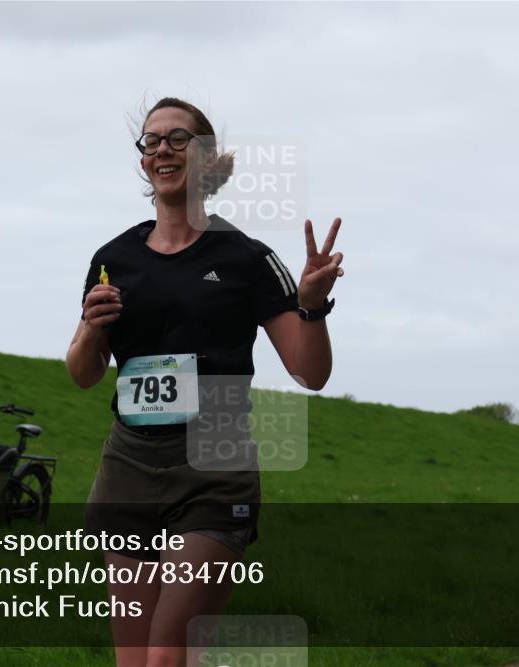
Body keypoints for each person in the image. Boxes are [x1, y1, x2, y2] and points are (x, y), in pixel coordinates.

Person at [66, 97, 344, 667]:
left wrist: (311, 308)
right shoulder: (113, 257)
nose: (162, 150)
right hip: (129, 467)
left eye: (177, 139)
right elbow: (84, 373)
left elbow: (310, 372)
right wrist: (91, 333)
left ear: (207, 157)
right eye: (151, 141)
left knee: (167, 656)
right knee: (136, 661)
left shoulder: (246, 257)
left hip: (213, 468)